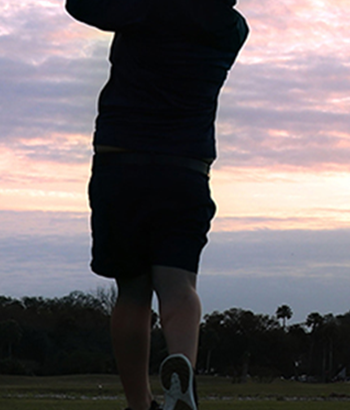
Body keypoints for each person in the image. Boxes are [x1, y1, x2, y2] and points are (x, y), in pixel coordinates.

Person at [65, 0, 248, 409]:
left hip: (120, 163)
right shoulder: (231, 27)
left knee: (132, 291)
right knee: (179, 285)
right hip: (185, 170)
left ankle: (138, 403)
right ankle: (181, 364)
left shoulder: (146, 8)